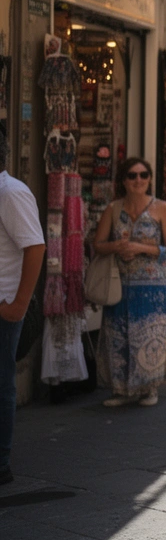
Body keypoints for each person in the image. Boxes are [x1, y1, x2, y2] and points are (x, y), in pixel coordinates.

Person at [93, 158, 166, 407]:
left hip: (153, 286)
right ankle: (120, 389)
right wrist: (117, 247)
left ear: (150, 179)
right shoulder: (113, 209)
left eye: (143, 175)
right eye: (132, 175)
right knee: (117, 334)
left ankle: (149, 388)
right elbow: (98, 246)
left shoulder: (162, 208)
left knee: (150, 335)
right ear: (123, 181)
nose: (138, 180)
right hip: (119, 283)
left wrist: (139, 248)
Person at [0, 128, 47, 485]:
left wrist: (19, 304)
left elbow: (35, 247)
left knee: (1, 384)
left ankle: (1, 463)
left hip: (2, 307)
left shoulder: (11, 193)